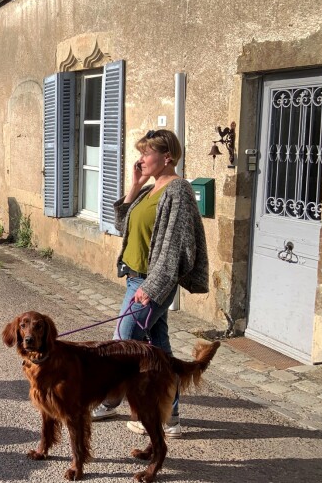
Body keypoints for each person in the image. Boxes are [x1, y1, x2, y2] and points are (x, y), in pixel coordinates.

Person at [91, 129, 208, 438]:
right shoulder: (151, 189)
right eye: (140, 152)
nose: (140, 158)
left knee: (121, 344)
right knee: (159, 348)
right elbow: (121, 224)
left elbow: (174, 247)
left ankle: (110, 399)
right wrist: (135, 184)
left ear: (166, 156)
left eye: (146, 153)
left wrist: (151, 288)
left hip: (150, 283)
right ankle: (171, 417)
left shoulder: (178, 190)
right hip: (136, 278)